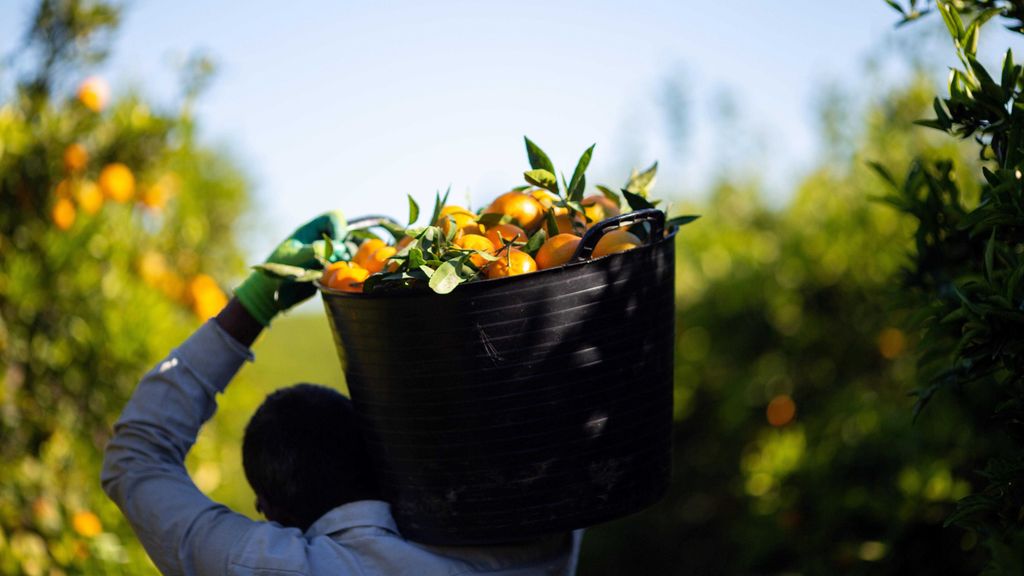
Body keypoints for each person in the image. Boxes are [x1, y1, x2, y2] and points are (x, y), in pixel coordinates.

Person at [101, 212, 582, 575]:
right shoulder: (535, 539)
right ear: (382, 456)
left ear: (271, 513)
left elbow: (134, 459)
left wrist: (253, 304)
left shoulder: (283, 567)